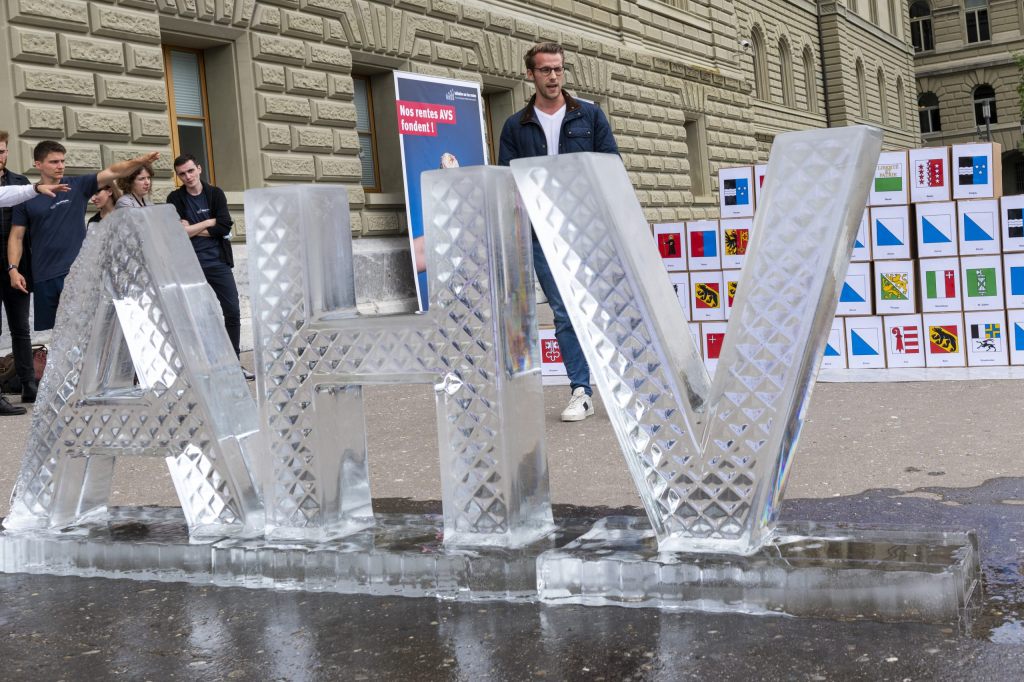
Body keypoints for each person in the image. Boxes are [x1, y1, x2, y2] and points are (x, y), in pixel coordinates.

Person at [498, 42, 619, 422]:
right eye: (545, 70)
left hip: (585, 228)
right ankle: (581, 391)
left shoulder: (590, 116)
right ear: (530, 75)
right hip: (540, 232)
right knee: (565, 313)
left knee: (597, 308)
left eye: (558, 69)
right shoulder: (516, 126)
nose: (553, 76)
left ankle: (619, 383)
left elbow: (611, 164)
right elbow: (508, 178)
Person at [8, 141, 159, 333]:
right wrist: (13, 269)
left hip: (78, 272)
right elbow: (16, 237)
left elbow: (113, 171)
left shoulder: (77, 185)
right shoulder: (28, 196)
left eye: (62, 161)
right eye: (54, 162)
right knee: (54, 335)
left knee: (87, 330)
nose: (60, 166)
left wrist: (140, 161)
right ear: (38, 164)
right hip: (44, 275)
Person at [166, 154, 252, 381]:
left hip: (218, 263)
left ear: (199, 169)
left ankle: (234, 364)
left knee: (232, 310)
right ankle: (202, 368)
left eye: (190, 171)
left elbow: (224, 226)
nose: (187, 177)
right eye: (182, 174)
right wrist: (208, 222)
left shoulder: (215, 194)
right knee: (197, 316)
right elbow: (178, 233)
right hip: (191, 265)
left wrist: (193, 227)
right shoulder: (175, 198)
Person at [0, 132, 67, 413]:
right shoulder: (22, 188)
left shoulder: (19, 182)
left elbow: (27, 227)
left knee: (21, 327)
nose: (1, 156)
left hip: (17, 266)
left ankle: (29, 385)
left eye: (3, 151)